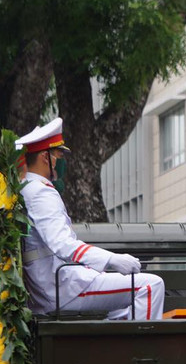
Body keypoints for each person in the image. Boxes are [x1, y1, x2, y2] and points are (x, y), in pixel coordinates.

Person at [18, 118, 165, 320]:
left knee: (122, 306)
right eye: (58, 155)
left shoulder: (27, 189)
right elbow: (63, 244)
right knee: (151, 285)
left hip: (54, 283)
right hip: (61, 287)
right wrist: (112, 260)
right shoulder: (40, 193)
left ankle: (115, 350)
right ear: (45, 157)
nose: (61, 161)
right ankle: (143, 349)